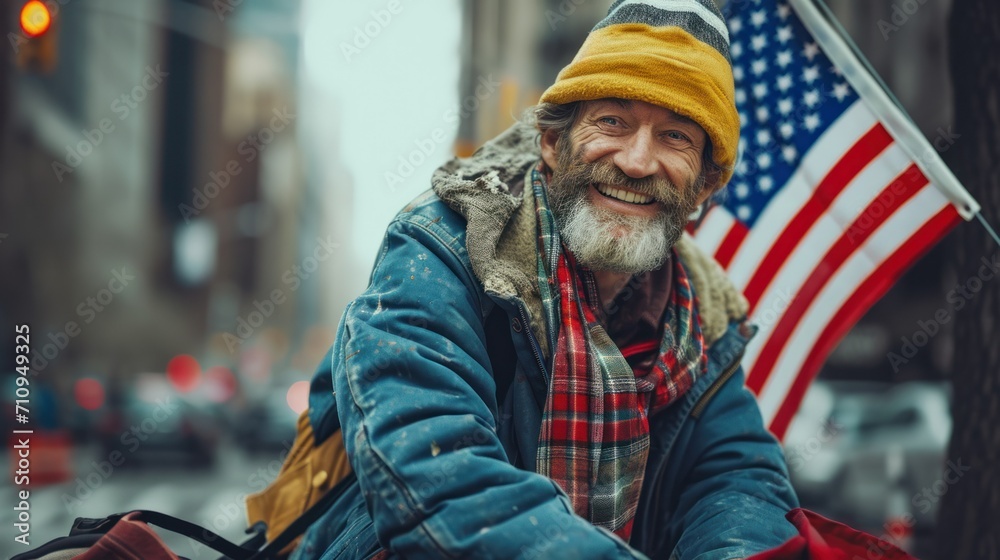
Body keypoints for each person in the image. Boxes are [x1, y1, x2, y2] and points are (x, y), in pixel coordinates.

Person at [292, 1, 799, 558]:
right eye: (612, 121)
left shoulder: (703, 318)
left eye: (676, 137)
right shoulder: (441, 250)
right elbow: (435, 477)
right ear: (553, 144)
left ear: (702, 189)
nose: (636, 161)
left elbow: (738, 485)